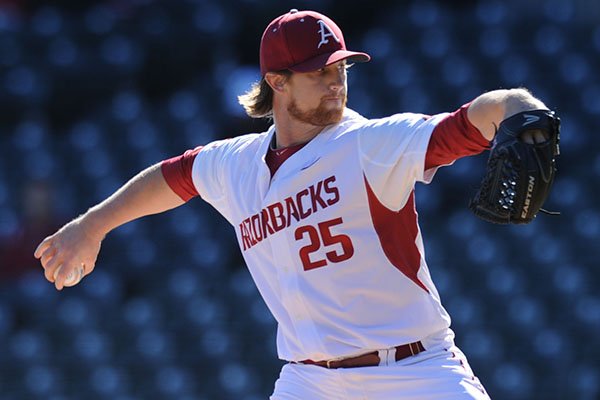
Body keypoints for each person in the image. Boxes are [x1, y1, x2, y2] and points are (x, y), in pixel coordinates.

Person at [35, 9, 552, 399]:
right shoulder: (234, 164)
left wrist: (517, 107)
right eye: (318, 71)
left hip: (416, 372)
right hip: (310, 380)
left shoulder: (368, 144)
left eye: (339, 67)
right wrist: (93, 225)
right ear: (276, 82)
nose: (335, 81)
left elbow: (468, 123)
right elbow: (172, 177)